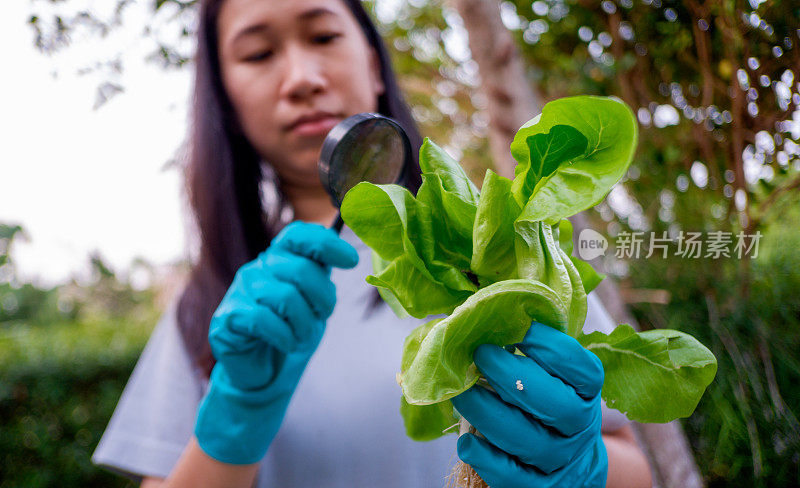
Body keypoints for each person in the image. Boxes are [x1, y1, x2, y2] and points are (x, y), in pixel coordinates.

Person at [92, 0, 654, 486]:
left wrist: (585, 470)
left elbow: (635, 467)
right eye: (259, 54)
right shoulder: (218, 301)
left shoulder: (500, 239)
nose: (302, 78)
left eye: (323, 35)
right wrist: (237, 414)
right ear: (228, 103)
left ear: (374, 62)